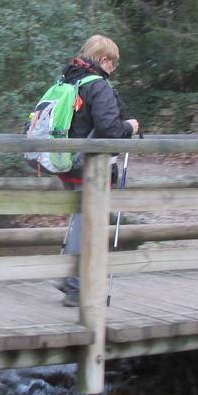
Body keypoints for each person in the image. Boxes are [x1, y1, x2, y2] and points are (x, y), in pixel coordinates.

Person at [56, 34, 140, 307]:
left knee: (81, 221)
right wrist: (131, 127)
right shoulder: (98, 86)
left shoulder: (68, 80)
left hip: (66, 163)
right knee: (89, 226)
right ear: (104, 60)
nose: (113, 69)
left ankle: (68, 276)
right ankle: (75, 285)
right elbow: (110, 130)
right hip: (91, 167)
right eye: (113, 63)